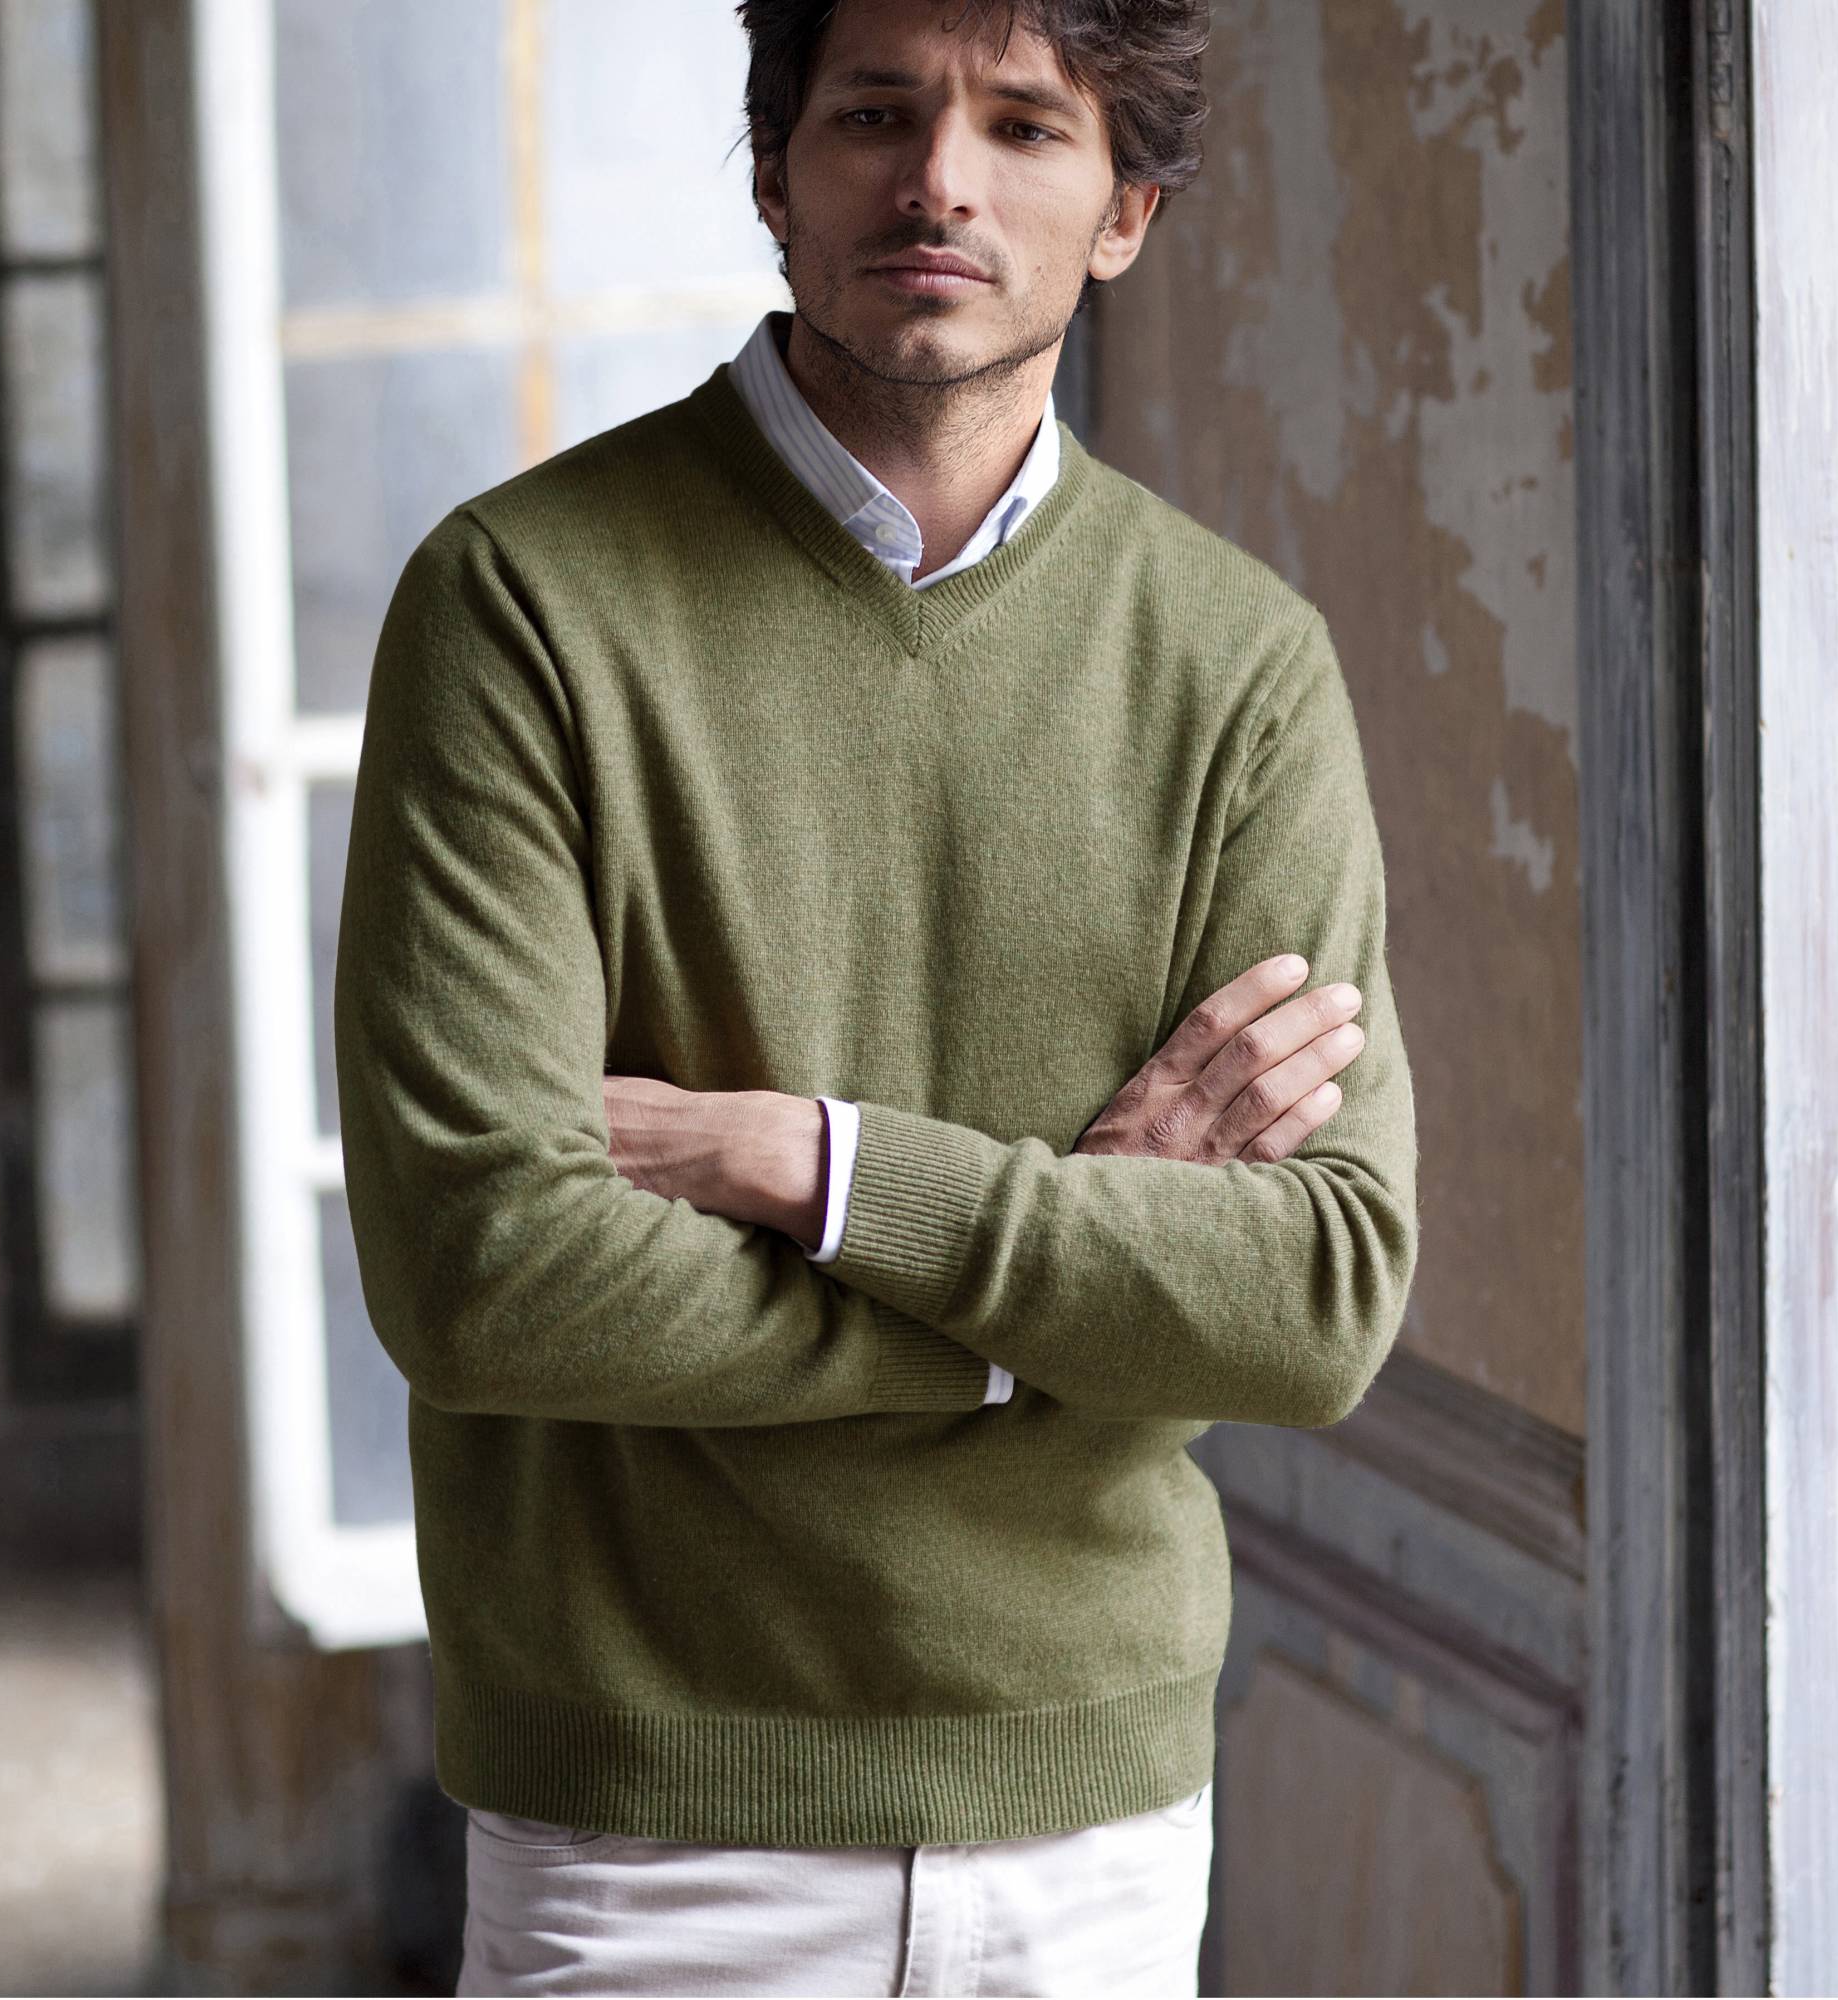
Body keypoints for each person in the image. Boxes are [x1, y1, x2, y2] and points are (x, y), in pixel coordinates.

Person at [332, 0, 1419, 1991]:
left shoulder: (1240, 667)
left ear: (1128, 213)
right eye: (874, 114)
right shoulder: (521, 606)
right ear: (775, 173)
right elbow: (484, 1270)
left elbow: (1318, 1294)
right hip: (649, 1837)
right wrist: (1040, 1317)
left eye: (1025, 126)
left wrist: (813, 1167)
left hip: (1097, 1833)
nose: (938, 180)